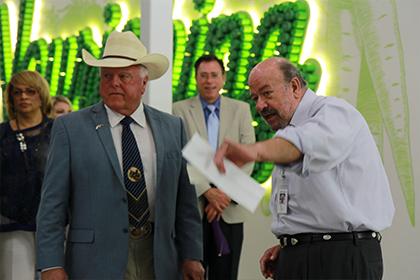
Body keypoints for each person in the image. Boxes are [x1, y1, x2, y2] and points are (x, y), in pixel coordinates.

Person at [36, 30, 204, 280]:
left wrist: (192, 255)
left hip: (159, 259)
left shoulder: (172, 127)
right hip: (94, 261)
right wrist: (50, 264)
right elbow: (52, 204)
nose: (114, 82)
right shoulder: (70, 128)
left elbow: (186, 200)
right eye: (107, 76)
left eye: (123, 76)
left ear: (144, 83)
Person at [214, 57, 395, 280]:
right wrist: (295, 243)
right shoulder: (286, 132)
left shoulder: (335, 112)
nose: (260, 105)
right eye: (255, 98)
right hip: (304, 256)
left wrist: (253, 151)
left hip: (340, 258)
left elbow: (302, 145)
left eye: (267, 93)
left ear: (295, 87)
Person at [173, 54, 255, 280]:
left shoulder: (241, 110)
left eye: (214, 75)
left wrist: (224, 194)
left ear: (223, 78)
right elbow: (179, 157)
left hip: (229, 210)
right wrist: (207, 192)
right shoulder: (179, 110)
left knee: (226, 275)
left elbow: (248, 155)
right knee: (191, 274)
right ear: (196, 78)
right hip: (194, 207)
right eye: (203, 76)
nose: (209, 81)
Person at [0, 70, 53, 280]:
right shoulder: (2, 134)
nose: (23, 97)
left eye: (30, 91)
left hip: (54, 223)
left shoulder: (58, 131)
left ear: (41, 95)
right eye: (17, 92)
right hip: (11, 223)